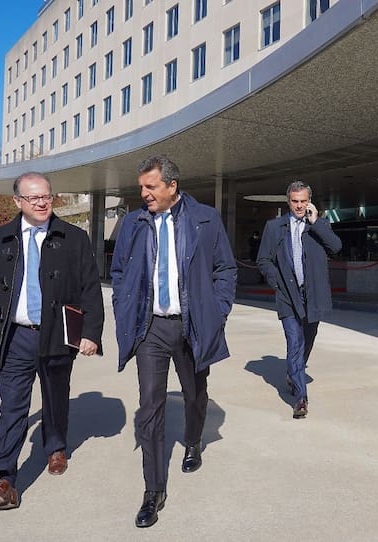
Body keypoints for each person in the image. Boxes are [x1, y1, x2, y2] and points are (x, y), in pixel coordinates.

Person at [110, 155, 236, 528]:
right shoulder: (133, 223)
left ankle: (193, 440)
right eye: (141, 188)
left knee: (196, 395)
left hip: (191, 325)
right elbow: (118, 271)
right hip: (149, 329)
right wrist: (124, 307)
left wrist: (217, 311)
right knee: (150, 407)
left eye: (151, 187)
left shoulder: (206, 219)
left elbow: (225, 269)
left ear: (171, 186)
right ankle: (154, 490)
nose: (144, 194)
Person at [0, 172, 104, 510]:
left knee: (56, 397)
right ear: (18, 202)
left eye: (47, 196)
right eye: (34, 198)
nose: (42, 202)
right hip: (13, 336)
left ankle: (55, 447)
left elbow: (90, 289)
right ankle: (5, 478)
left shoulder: (73, 238)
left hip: (57, 334)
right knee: (12, 406)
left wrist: (90, 333)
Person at [256, 180, 341, 419]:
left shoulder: (319, 224)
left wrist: (316, 223)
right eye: (295, 201)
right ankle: (301, 399)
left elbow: (336, 246)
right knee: (294, 342)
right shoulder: (274, 227)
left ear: (309, 201)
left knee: (308, 339)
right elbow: (263, 260)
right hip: (287, 296)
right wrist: (277, 283)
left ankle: (294, 373)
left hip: (313, 295)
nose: (300, 206)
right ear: (288, 201)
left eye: (304, 201)